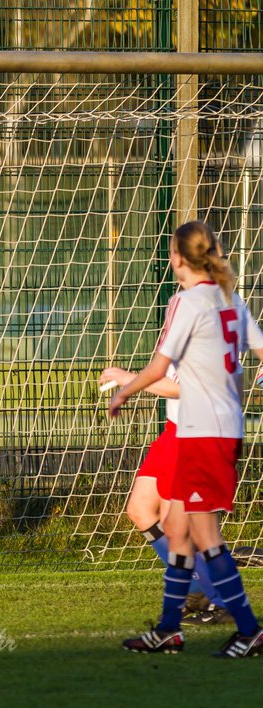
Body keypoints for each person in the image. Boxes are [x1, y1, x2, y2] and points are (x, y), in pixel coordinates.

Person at [108, 220, 263, 657]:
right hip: (218, 429)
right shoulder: (230, 299)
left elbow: (160, 369)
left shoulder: (187, 301)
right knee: (177, 531)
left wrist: (124, 389)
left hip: (202, 432)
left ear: (177, 257)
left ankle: (249, 628)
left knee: (204, 536)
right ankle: (170, 629)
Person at [97, 364, 232, 625]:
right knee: (140, 510)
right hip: (174, 431)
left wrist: (132, 380)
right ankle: (195, 592)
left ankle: (222, 601)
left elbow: (189, 390)